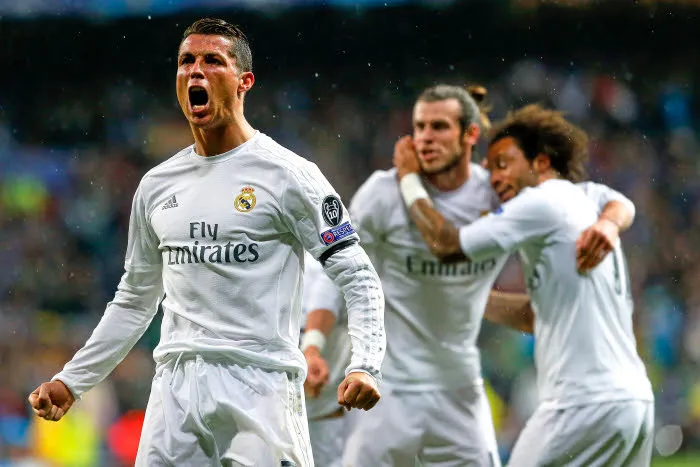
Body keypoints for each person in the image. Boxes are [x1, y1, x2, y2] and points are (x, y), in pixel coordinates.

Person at [27, 18, 385, 467]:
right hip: (174, 391)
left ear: (244, 81)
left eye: (213, 60)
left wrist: (365, 364)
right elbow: (134, 300)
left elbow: (357, 275)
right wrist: (73, 380)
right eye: (186, 61)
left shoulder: (289, 175)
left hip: (261, 384)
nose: (195, 70)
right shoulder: (156, 186)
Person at [342, 85, 635, 467]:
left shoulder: (537, 203)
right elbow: (619, 202)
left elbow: (446, 245)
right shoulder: (575, 200)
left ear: (540, 163)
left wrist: (410, 180)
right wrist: (611, 223)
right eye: (492, 166)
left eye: (504, 164)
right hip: (633, 399)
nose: (495, 178)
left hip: (580, 401)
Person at [300, 253, 358, 467]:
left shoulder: (340, 255)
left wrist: (311, 350)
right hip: (269, 403)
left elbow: (326, 296)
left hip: (324, 406)